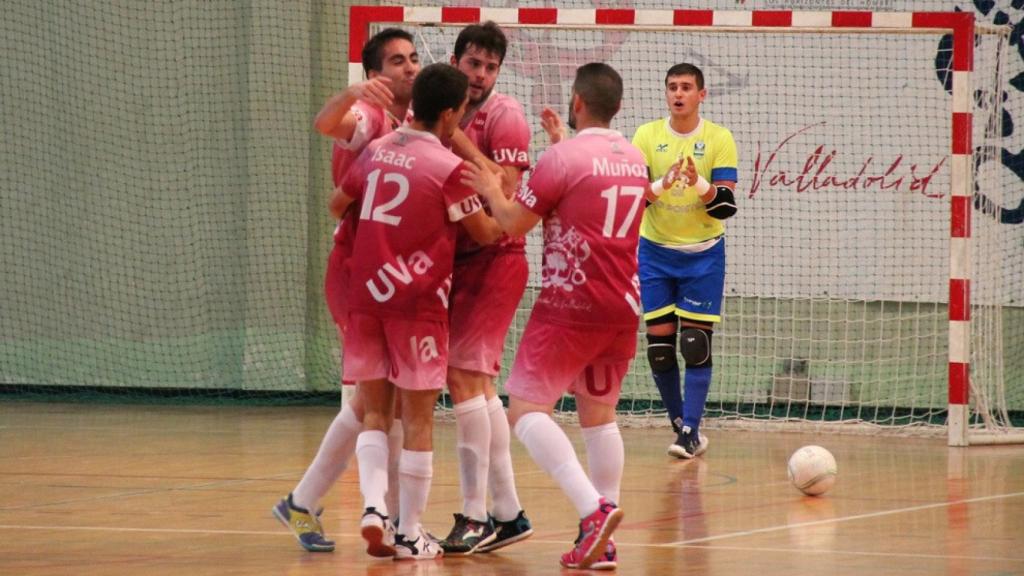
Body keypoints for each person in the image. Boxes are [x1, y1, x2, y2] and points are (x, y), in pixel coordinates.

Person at [462, 62, 681, 570]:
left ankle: (593, 510)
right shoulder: (632, 157)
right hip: (623, 306)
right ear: (618, 108)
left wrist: (492, 190)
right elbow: (592, 188)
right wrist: (560, 143)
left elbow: (514, 220)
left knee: (525, 409)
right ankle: (601, 544)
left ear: (577, 102)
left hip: (569, 304)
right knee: (599, 417)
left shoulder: (561, 159)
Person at [333, 62, 503, 561]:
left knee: (374, 412)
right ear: (450, 115)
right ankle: (409, 532)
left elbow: (335, 203)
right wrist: (497, 196)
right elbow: (487, 234)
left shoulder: (376, 150)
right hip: (417, 305)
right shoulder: (449, 170)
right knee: (418, 420)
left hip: (366, 300)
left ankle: (372, 508)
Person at [272, 28, 419, 553]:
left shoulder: (411, 123)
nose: (409, 67)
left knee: (380, 400)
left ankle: (307, 502)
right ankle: (390, 517)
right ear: (377, 72)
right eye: (397, 61)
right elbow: (327, 123)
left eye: (413, 58)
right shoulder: (371, 118)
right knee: (384, 400)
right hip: (357, 273)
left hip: (391, 277)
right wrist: (353, 93)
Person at [438, 21, 534, 556]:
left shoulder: (506, 116)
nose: (480, 76)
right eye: (473, 64)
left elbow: (505, 207)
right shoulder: (437, 111)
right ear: (456, 62)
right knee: (476, 386)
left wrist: (462, 150)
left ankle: (476, 515)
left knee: (462, 377)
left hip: (495, 259)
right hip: (457, 261)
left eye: (490, 68)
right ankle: (508, 513)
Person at [631, 63, 739, 459]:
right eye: (673, 87)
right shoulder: (646, 135)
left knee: (695, 344)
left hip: (703, 254)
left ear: (701, 95)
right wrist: (665, 182)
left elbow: (726, 207)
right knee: (660, 348)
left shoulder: (718, 139)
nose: (679, 94)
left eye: (687, 87)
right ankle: (683, 429)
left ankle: (691, 427)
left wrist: (697, 182)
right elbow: (635, 198)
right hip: (655, 252)